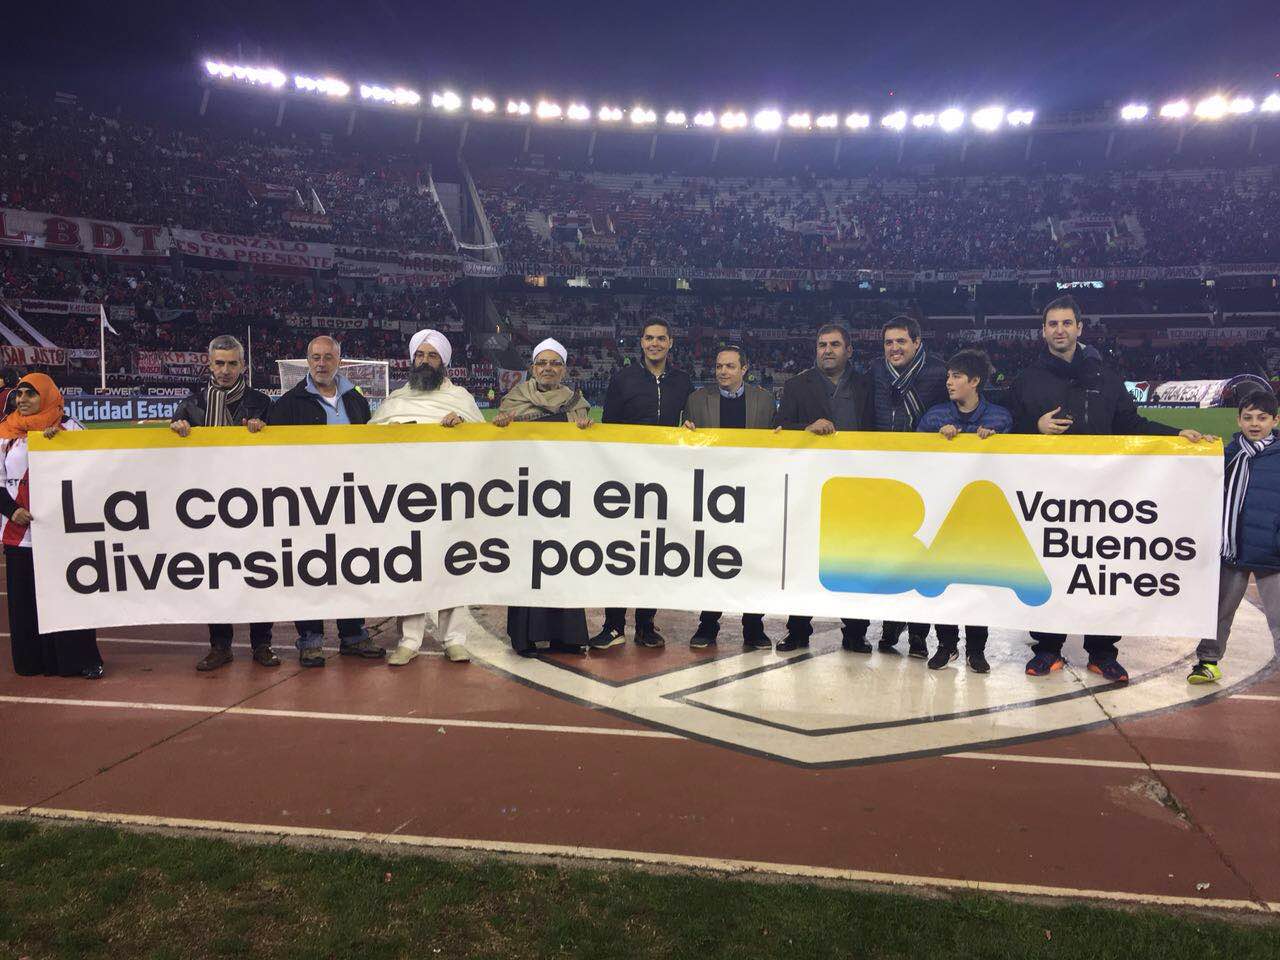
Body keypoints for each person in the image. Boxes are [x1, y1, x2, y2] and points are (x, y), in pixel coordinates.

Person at [1008, 295, 1213, 682]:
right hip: (1049, 495)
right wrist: (1034, 428)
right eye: (1052, 324)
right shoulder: (1028, 379)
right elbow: (1007, 428)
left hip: (1102, 496)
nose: (1060, 330)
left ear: (1080, 328)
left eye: (1067, 323)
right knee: (1051, 566)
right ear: (1043, 331)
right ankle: (1048, 647)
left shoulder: (1106, 376)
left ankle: (1103, 651)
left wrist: (1175, 435)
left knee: (1101, 569)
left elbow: (1131, 424)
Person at [372, 329, 485, 666]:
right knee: (410, 568)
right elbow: (365, 446)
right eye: (420, 355)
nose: (424, 361)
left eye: (432, 356)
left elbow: (485, 445)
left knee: (453, 566)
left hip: (450, 499)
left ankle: (454, 639)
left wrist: (463, 427)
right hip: (404, 501)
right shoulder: (394, 401)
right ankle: (409, 640)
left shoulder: (461, 399)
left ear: (444, 362)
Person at [267, 335, 382, 667]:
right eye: (315, 357)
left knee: (352, 567)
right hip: (307, 504)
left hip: (351, 501)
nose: (321, 363)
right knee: (310, 569)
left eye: (327, 357)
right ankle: (311, 638)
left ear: (339, 362)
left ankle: (352, 634)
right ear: (307, 361)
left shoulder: (356, 402)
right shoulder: (289, 403)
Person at [171, 335, 279, 671]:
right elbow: (169, 460)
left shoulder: (262, 403)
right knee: (215, 576)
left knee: (260, 574)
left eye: (233, 363)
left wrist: (267, 432)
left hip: (254, 504)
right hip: (208, 507)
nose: (226, 370)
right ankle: (220, 646)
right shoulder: (191, 405)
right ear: (209, 364)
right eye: (220, 363)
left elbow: (283, 456)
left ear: (243, 366)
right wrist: (174, 431)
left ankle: (262, 644)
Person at [589, 319, 694, 651]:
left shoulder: (682, 382)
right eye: (649, 338)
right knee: (620, 551)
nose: (655, 344)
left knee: (655, 553)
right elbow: (609, 429)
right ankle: (614, 624)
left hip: (664, 480)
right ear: (641, 342)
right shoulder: (623, 379)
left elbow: (689, 421)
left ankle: (646, 625)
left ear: (670, 343)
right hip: (626, 479)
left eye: (661, 338)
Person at [773, 324, 876, 653]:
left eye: (834, 344)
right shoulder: (796, 385)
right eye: (821, 345)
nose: (827, 350)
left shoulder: (866, 385)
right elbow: (779, 429)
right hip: (810, 487)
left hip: (856, 486)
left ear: (849, 350)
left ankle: (856, 632)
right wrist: (806, 428)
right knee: (803, 559)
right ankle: (798, 630)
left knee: (854, 562)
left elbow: (876, 429)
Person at [915, 349, 1013, 673]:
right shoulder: (934, 417)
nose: (949, 382)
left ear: (975, 381)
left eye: (956, 377)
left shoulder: (999, 418)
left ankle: (976, 649)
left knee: (975, 583)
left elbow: (1017, 462)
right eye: (948, 376)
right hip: (942, 515)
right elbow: (913, 456)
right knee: (944, 581)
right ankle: (946, 644)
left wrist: (993, 443)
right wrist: (936, 440)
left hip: (982, 516)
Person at [494, 338, 593, 656]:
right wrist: (501, 428)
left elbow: (588, 453)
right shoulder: (513, 401)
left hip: (562, 497)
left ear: (564, 369)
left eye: (554, 363)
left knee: (563, 562)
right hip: (524, 497)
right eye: (542, 363)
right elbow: (498, 451)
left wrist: (586, 430)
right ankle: (525, 636)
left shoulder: (577, 403)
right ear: (532, 368)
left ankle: (567, 635)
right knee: (527, 563)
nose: (548, 368)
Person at [0, 373, 103, 679]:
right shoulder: (5, 433)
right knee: (24, 600)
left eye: (31, 394)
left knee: (72, 593)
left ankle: (78, 660)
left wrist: (63, 446)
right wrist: (12, 510)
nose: (23, 400)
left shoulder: (71, 428)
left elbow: (97, 469)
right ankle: (32, 661)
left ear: (47, 394)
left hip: (65, 532)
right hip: (20, 534)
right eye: (19, 395)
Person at [683, 345, 776, 651]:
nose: (722, 371)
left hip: (753, 491)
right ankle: (708, 624)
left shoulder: (763, 399)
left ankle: (754, 626)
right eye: (719, 366)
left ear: (744, 369)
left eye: (730, 366)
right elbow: (682, 443)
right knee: (715, 559)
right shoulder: (698, 400)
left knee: (752, 560)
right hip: (714, 494)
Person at [1190, 390, 1280, 684]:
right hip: (1232, 550)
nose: (1255, 424)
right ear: (1238, 420)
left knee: (1279, 617)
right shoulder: (1226, 454)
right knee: (1219, 611)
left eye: (1262, 418)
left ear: (1275, 420)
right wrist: (1198, 449)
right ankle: (1208, 661)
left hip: (1272, 553)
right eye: (1248, 417)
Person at [874, 316, 947, 658]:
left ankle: (919, 634)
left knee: (922, 556)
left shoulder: (939, 372)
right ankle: (890, 625)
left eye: (901, 341)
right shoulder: (875, 372)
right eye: (889, 342)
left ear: (917, 342)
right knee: (891, 555)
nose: (894, 348)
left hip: (926, 476)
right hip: (886, 478)